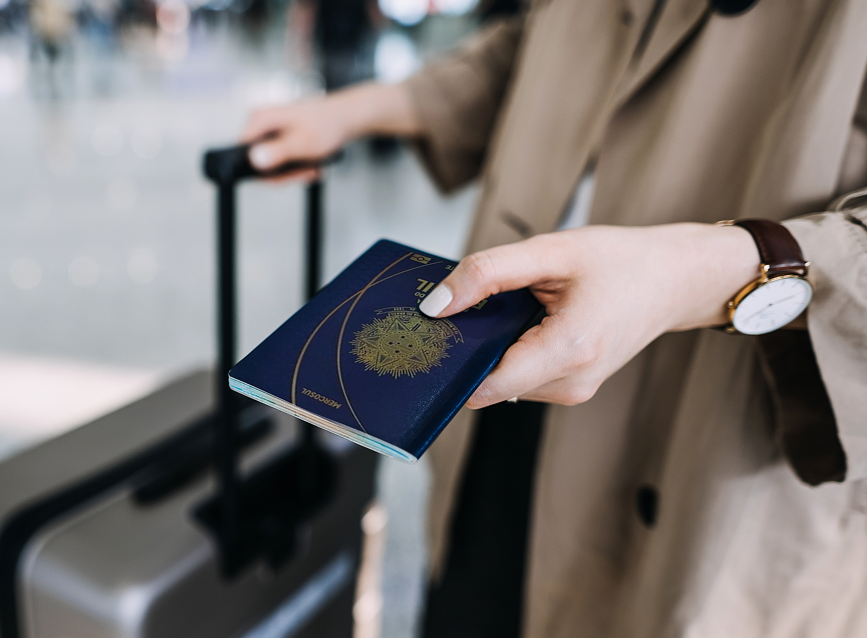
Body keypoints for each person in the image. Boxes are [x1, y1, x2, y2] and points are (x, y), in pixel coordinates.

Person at [241, 1, 867, 637]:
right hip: (501, 369)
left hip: (716, 427)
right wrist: (360, 110)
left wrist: (707, 273)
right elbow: (536, 41)